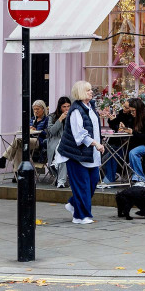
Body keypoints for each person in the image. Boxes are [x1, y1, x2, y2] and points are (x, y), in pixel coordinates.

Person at [55, 81, 105, 224]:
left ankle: (73, 204)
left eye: (91, 90)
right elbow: (79, 135)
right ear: (81, 92)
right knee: (82, 184)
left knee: (93, 180)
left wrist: (97, 143)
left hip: (90, 153)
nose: (91, 92)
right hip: (76, 153)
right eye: (88, 90)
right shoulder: (76, 110)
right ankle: (81, 216)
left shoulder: (90, 107)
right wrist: (96, 143)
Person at [0, 99, 49, 170]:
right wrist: (28, 129)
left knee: (17, 140)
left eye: (37, 109)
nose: (36, 111)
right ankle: (18, 173)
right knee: (19, 148)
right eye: (34, 109)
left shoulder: (46, 119)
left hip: (40, 141)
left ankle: (3, 159)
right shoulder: (32, 119)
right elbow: (27, 130)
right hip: (29, 140)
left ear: (43, 109)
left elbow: (48, 133)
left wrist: (38, 131)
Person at [101, 100, 135, 184]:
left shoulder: (133, 117)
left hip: (128, 145)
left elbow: (131, 130)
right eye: (124, 106)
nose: (124, 109)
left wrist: (124, 128)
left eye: (126, 108)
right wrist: (112, 120)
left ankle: (110, 177)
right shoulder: (120, 114)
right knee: (110, 153)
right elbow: (115, 127)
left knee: (112, 154)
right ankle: (111, 176)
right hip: (117, 143)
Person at [46, 96, 71, 188]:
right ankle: (61, 181)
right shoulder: (52, 116)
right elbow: (51, 131)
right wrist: (60, 119)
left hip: (69, 142)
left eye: (68, 106)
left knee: (62, 153)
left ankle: (55, 166)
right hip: (56, 142)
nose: (66, 109)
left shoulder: (73, 116)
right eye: (64, 106)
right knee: (62, 154)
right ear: (60, 107)